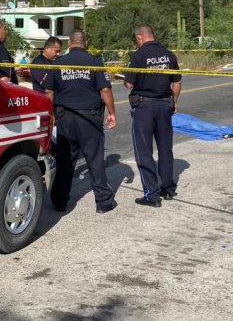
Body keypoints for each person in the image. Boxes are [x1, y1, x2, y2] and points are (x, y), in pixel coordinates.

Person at [43, 30, 118, 214]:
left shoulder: (58, 63)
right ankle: (103, 202)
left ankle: (60, 202)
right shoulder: (94, 62)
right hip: (89, 119)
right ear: (87, 42)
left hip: (65, 118)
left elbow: (49, 93)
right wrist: (112, 112)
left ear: (69, 43)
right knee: (95, 160)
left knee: (65, 161)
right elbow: (106, 90)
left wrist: (50, 116)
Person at [123, 24, 182, 208]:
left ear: (140, 38)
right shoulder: (169, 54)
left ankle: (152, 195)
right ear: (153, 35)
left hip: (144, 107)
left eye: (136, 40)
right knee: (165, 149)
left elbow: (128, 84)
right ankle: (168, 189)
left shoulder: (138, 56)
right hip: (165, 104)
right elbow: (177, 82)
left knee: (144, 151)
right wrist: (174, 102)